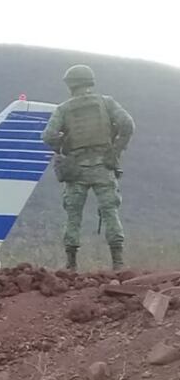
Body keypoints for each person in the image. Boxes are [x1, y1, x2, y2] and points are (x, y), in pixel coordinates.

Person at [43, 65, 135, 271]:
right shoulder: (107, 103)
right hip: (104, 166)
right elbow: (127, 124)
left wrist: (63, 145)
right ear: (90, 82)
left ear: (70, 85)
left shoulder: (63, 109)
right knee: (110, 211)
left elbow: (48, 136)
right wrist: (116, 150)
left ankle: (71, 265)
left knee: (73, 215)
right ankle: (118, 263)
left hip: (76, 170)